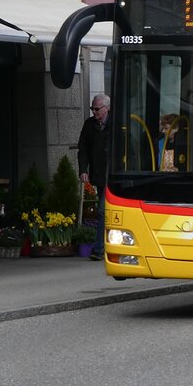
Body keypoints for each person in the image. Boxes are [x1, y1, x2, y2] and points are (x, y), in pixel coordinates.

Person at [77, 92, 111, 262]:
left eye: (97, 109)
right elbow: (83, 148)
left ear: (107, 109)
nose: (94, 112)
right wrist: (83, 169)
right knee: (104, 211)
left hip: (113, 176)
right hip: (99, 175)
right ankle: (104, 246)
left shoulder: (116, 124)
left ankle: (99, 249)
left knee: (103, 211)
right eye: (92, 108)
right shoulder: (90, 125)